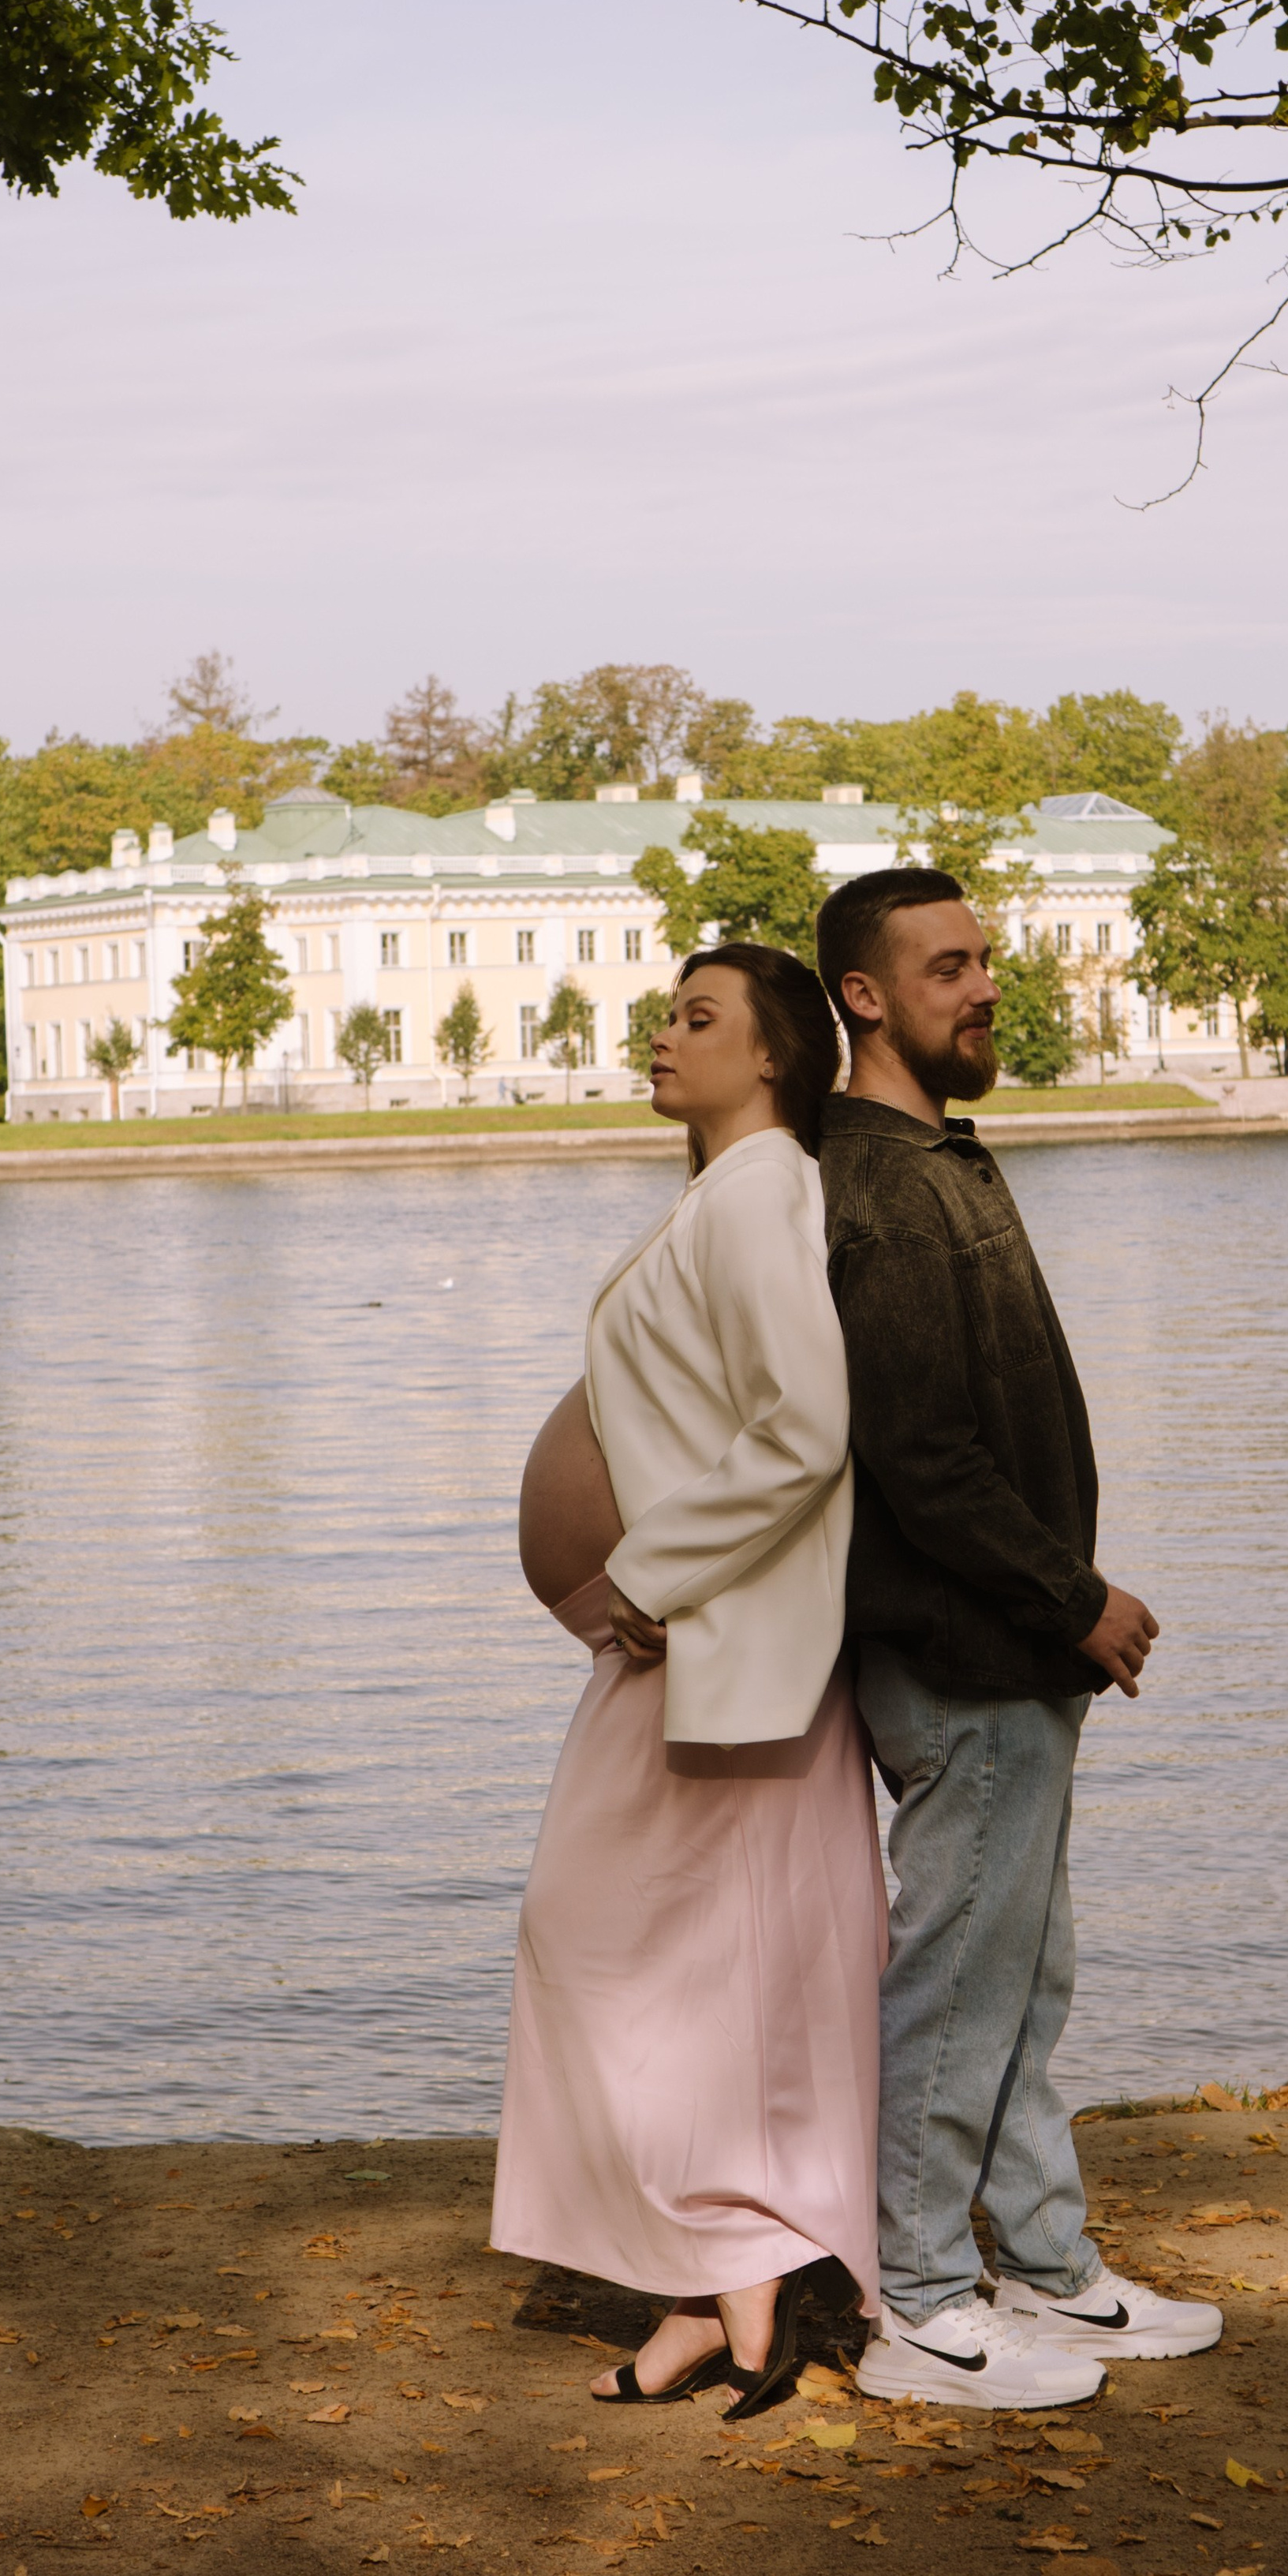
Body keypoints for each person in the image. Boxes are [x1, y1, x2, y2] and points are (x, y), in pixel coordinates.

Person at [814, 866, 1222, 2410]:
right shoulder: (869, 1183)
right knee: (956, 1979)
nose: (982, 986)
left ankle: (1046, 2269)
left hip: (1016, 1660)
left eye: (984, 961)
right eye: (945, 968)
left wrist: (1062, 1618)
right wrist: (1077, 1601)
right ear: (863, 995)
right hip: (958, 1654)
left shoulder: (940, 1157)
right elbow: (917, 1460)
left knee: (1023, 1973)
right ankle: (913, 2302)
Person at [491, 943, 887, 2421]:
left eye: (697, 1018)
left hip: (713, 1644)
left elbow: (807, 1425)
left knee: (601, 1942)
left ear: (776, 1055)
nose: (662, 1035)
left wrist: (652, 1574)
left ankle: (740, 2280)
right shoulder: (724, 1195)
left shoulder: (768, 1187)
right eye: (667, 1011)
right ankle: (718, 2302)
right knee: (696, 1976)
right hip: (693, 1650)